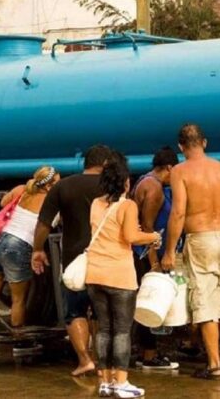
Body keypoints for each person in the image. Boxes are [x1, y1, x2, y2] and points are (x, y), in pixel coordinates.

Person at [161, 123, 220, 380]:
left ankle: (214, 365)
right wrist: (217, 218)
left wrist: (168, 252)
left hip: (200, 240)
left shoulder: (180, 170)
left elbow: (178, 213)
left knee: (205, 301)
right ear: (204, 142)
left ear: (181, 147)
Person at [32, 145, 112, 377]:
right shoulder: (112, 186)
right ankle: (101, 363)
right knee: (101, 313)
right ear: (105, 163)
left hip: (74, 261)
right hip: (105, 259)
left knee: (75, 311)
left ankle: (85, 360)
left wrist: (38, 249)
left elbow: (44, 223)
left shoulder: (63, 186)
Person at [86, 152, 161, 398]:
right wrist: (153, 236)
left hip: (95, 274)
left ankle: (105, 381)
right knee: (121, 331)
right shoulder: (128, 205)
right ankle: (122, 382)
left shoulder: (96, 204)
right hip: (119, 275)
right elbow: (130, 237)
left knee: (104, 330)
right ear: (125, 182)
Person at [0, 166, 59, 335]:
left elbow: (3, 202)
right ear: (48, 186)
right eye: (57, 182)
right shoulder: (51, 201)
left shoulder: (21, 190)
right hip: (18, 246)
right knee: (18, 299)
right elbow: (52, 224)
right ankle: (17, 338)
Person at [131, 146, 180, 370]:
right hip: (145, 254)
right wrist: (154, 264)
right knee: (149, 301)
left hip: (142, 252)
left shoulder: (144, 180)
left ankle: (144, 351)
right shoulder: (155, 188)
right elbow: (147, 228)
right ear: (169, 167)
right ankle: (149, 355)